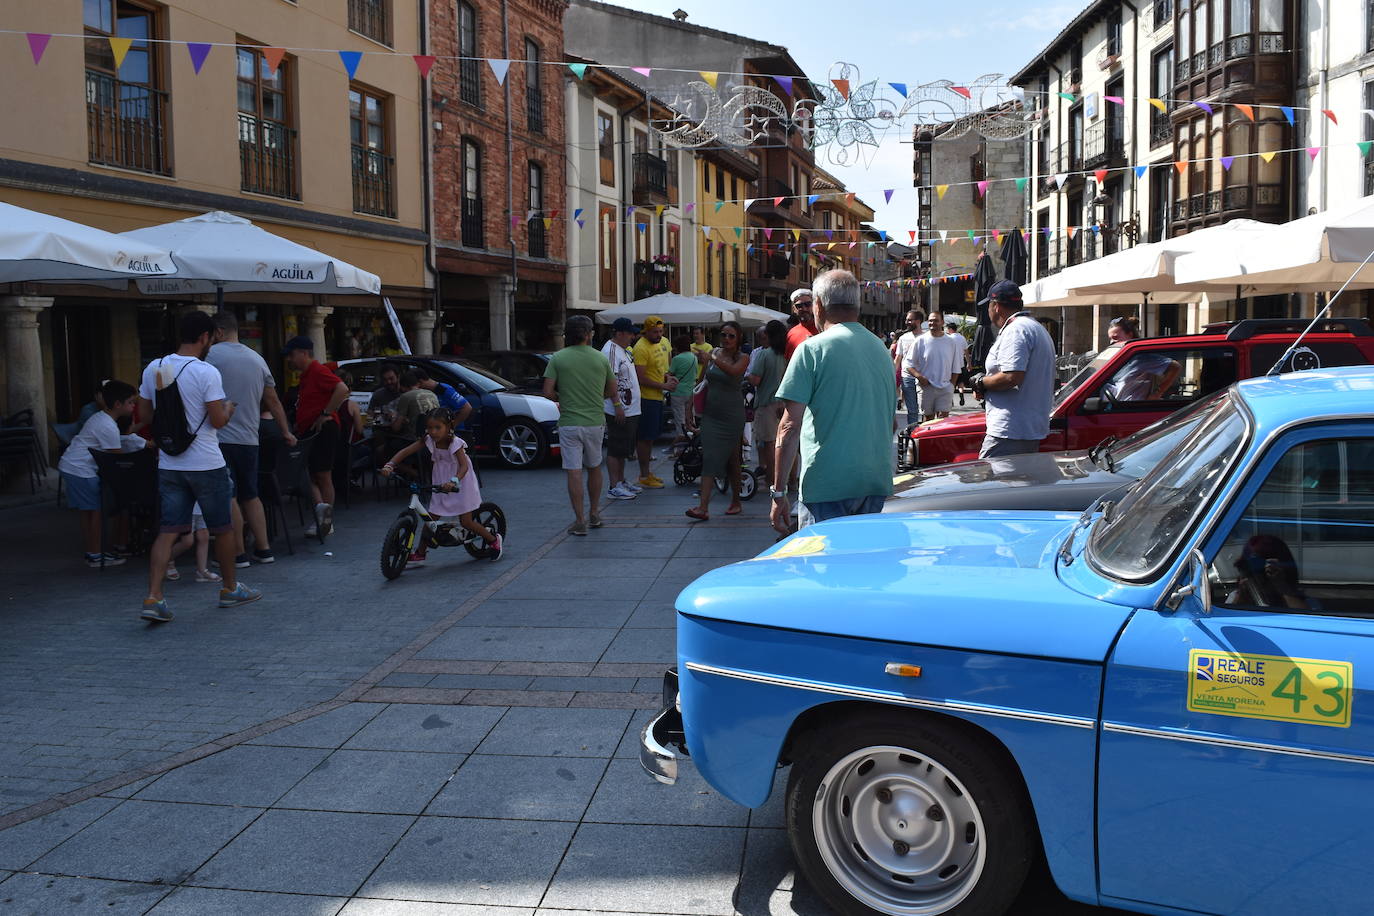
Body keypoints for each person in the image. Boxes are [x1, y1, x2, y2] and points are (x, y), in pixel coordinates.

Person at [137, 310, 261, 623]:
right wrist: (229, 408)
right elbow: (217, 421)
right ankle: (230, 589)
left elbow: (146, 417)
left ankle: (154, 596)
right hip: (206, 463)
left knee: (167, 531)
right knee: (222, 528)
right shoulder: (206, 372)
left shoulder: (155, 367)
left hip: (170, 463)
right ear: (205, 337)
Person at [771, 270, 896, 536]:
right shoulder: (881, 349)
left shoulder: (812, 349)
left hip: (826, 486)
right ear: (857, 305)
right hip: (874, 482)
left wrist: (779, 491)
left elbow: (789, 426)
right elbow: (892, 420)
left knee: (825, 571)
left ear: (818, 304)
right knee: (864, 568)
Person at [207, 311, 295, 567]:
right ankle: (264, 549)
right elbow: (273, 401)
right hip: (249, 438)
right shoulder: (258, 359)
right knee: (251, 495)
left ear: (219, 332)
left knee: (229, 496)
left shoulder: (210, 357)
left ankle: (237, 553)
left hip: (220, 437)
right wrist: (286, 431)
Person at [380, 407, 501, 564]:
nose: (433, 432)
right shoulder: (428, 440)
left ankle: (493, 540)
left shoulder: (455, 443)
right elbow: (406, 451)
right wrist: (390, 464)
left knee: (466, 522)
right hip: (440, 481)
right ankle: (421, 553)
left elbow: (463, 466)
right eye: (430, 428)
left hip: (461, 482)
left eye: (438, 427)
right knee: (430, 519)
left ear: (449, 427)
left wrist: (454, 481)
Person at [543, 315, 617, 536]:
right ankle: (595, 513)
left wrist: (563, 397)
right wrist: (596, 396)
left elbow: (547, 392)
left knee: (573, 471)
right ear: (588, 334)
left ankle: (579, 520)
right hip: (595, 420)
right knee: (594, 467)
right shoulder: (600, 359)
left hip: (569, 422)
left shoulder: (558, 358)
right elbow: (612, 391)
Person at [59, 379, 141, 568]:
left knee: (88, 512)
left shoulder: (101, 418)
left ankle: (93, 551)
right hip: (81, 470)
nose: (133, 405)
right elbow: (117, 456)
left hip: (74, 466)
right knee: (93, 512)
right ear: (118, 404)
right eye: (130, 402)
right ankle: (95, 554)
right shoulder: (107, 425)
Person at [971, 280, 1057, 459]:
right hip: (1024, 428)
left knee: (992, 484)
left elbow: (1012, 377)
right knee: (1017, 485)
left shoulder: (1016, 330)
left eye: (988, 306)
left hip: (1010, 430)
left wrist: (980, 382)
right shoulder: (1034, 327)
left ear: (995, 307)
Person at [284, 336, 350, 539]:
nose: (289, 359)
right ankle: (322, 514)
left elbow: (342, 389)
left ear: (304, 353)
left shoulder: (318, 370)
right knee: (309, 474)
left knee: (321, 475)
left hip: (323, 430)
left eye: (292, 355)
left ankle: (326, 522)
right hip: (311, 430)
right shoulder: (306, 375)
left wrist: (325, 413)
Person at [686, 321, 749, 522]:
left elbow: (734, 371)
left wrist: (712, 357)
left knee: (733, 459)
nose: (727, 339)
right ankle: (703, 508)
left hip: (732, 415)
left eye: (731, 335)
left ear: (738, 338)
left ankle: (736, 501)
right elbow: (701, 381)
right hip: (712, 415)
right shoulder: (713, 353)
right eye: (724, 335)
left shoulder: (743, 357)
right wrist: (689, 406)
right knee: (710, 458)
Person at [631, 315, 678, 488]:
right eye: (655, 332)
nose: (658, 335)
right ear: (646, 331)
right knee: (644, 438)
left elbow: (661, 369)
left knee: (651, 438)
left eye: (660, 331)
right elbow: (640, 378)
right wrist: (664, 385)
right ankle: (644, 475)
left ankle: (647, 472)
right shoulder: (641, 348)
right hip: (646, 399)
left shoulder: (661, 343)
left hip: (657, 397)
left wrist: (668, 378)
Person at [601, 318, 642, 500]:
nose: (633, 336)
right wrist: (617, 405)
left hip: (630, 408)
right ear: (619, 333)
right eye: (630, 333)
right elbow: (610, 381)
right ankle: (613, 485)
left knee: (624, 448)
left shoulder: (623, 350)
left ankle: (621, 480)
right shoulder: (610, 351)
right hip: (619, 409)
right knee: (616, 448)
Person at [746, 320, 787, 485]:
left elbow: (755, 380)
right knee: (786, 445)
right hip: (785, 404)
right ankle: (790, 480)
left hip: (767, 403)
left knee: (769, 445)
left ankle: (771, 480)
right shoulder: (787, 353)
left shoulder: (764, 354)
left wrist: (746, 375)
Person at [905, 310, 963, 422]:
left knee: (943, 420)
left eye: (936, 320)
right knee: (928, 420)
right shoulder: (920, 341)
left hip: (945, 387)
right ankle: (927, 440)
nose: (933, 323)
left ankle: (940, 441)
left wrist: (951, 386)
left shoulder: (951, 342)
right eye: (930, 320)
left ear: (942, 322)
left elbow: (956, 367)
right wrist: (920, 377)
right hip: (926, 388)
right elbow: (908, 364)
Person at [165, 502, 220, 584]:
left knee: (204, 537)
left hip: (202, 506)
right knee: (187, 541)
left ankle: (202, 571)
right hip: (187, 507)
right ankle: (166, 560)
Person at [892, 309, 926, 428]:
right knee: (912, 410)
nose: (907, 322)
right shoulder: (903, 338)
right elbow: (898, 358)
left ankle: (923, 435)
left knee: (925, 410)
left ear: (918, 321)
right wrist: (891, 375)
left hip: (923, 378)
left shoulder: (926, 337)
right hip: (907, 378)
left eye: (910, 320)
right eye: (907, 319)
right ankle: (912, 435)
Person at [668, 333, 699, 453]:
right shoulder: (694, 358)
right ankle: (692, 446)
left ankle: (680, 450)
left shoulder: (677, 359)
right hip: (691, 392)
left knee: (679, 421)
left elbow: (670, 374)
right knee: (690, 419)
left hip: (678, 392)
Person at [784, 288, 817, 360]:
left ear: (814, 306)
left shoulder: (825, 329)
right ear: (794, 309)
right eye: (799, 306)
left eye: (807, 304)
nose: (804, 309)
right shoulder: (792, 333)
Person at [946, 318, 971, 406]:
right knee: (960, 382)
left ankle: (951, 400)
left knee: (951, 383)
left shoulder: (948, 338)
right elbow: (966, 352)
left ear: (950, 329)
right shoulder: (962, 338)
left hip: (951, 365)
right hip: (961, 364)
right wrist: (968, 363)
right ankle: (961, 393)